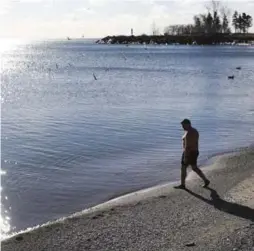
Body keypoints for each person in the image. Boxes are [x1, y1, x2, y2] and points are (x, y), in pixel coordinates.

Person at [174, 119, 210, 189]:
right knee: (194, 167)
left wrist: (185, 157)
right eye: (182, 125)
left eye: (183, 125)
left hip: (189, 152)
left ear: (188, 124)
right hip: (195, 152)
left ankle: (183, 185)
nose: (182, 127)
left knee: (183, 168)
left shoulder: (189, 133)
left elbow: (188, 146)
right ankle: (206, 180)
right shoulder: (194, 131)